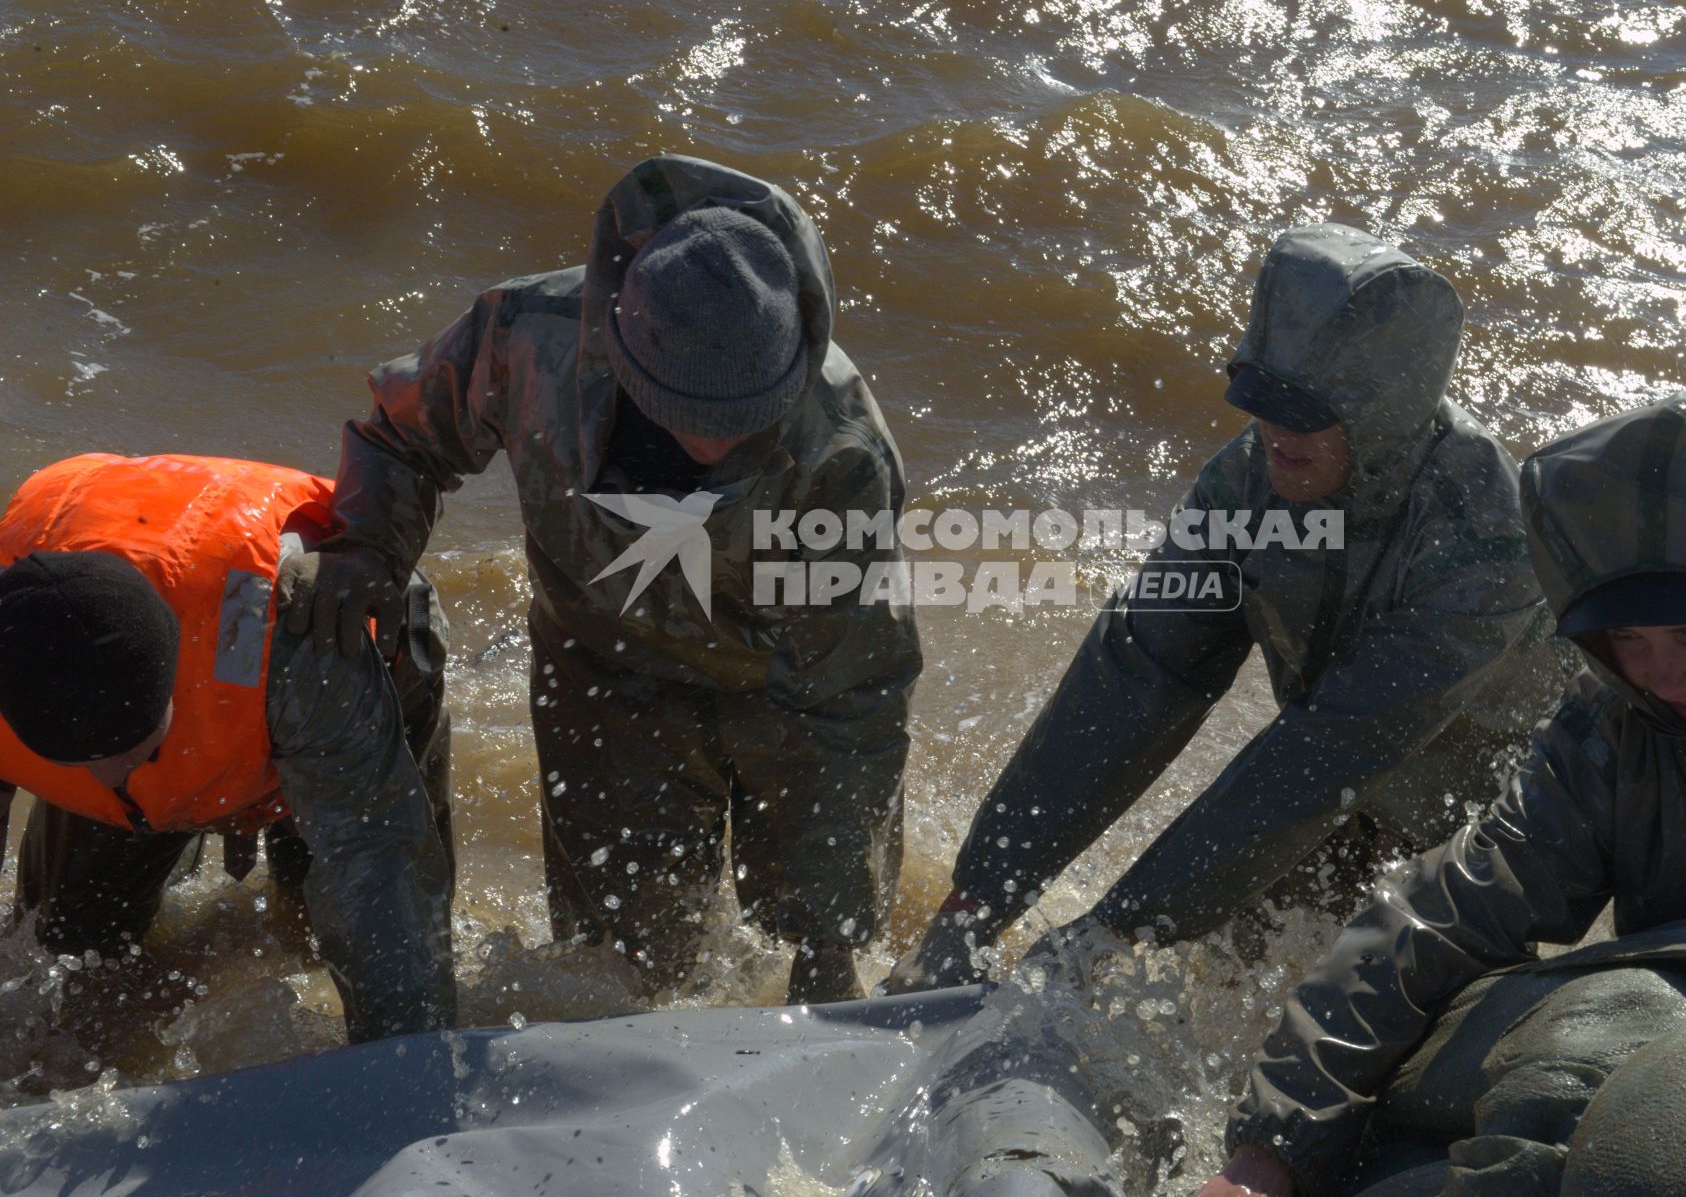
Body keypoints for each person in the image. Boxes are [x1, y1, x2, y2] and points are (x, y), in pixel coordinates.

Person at [1195, 387, 1686, 1197]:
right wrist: (1270, 1148)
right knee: (1572, 1064)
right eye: (1628, 639)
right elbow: (1447, 910)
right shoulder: (1613, 727)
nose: (1662, 672)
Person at [285, 154, 922, 1005]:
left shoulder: (840, 450)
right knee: (621, 973)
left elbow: (854, 700)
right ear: (621, 354)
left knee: (812, 955)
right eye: (693, 425)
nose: (716, 448)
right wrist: (365, 545)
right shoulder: (529, 335)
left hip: (783, 691)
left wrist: (831, 927)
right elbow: (402, 435)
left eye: (743, 427)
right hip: (603, 672)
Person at [888, 224, 1562, 992]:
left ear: (1383, 407)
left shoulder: (1482, 538)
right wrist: (975, 904)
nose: (1274, 430)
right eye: (1260, 396)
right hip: (1340, 789)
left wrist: (1118, 923)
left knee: (1395, 1030)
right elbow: (1137, 675)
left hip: (1487, 822)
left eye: (1302, 409)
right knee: (1225, 981)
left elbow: (1332, 748)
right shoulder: (1247, 482)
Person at [0, 452, 454, 1044]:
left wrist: (407, 1068)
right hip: (119, 605)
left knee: (328, 934)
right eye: (72, 761)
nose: (113, 775)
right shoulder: (23, 652)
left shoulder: (296, 644)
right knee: (69, 958)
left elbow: (375, 868)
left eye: (137, 747)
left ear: (175, 681)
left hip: (342, 625)